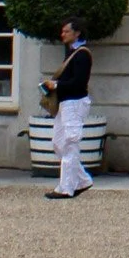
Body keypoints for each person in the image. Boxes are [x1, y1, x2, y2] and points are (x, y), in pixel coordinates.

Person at [45, 17, 93, 201]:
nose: (62, 34)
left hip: (75, 103)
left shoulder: (82, 55)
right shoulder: (71, 52)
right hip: (65, 103)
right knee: (58, 142)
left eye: (66, 31)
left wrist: (56, 85)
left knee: (69, 143)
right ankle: (82, 180)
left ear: (77, 32)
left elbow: (78, 83)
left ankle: (65, 188)